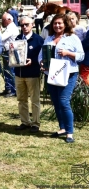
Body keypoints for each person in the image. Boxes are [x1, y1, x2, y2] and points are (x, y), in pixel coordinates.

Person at [38, 14, 84, 143]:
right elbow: (41, 55)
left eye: (60, 23)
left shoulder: (73, 38)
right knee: (57, 102)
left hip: (68, 73)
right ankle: (62, 128)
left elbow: (81, 56)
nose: (57, 26)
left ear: (65, 24)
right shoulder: (49, 38)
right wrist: (41, 62)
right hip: (52, 74)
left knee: (64, 101)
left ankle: (70, 132)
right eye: (55, 23)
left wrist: (68, 53)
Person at [14, 16, 44, 133]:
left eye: (27, 24)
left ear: (33, 25)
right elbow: (13, 54)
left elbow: (42, 58)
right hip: (19, 74)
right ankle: (24, 122)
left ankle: (35, 123)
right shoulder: (17, 38)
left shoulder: (38, 39)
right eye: (22, 25)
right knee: (21, 99)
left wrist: (34, 61)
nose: (24, 27)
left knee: (35, 100)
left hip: (32, 74)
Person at [0, 13, 19, 97]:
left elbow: (1, 38)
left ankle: (13, 90)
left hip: (10, 51)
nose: (2, 22)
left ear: (9, 20)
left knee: (10, 71)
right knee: (6, 71)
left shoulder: (12, 28)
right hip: (7, 51)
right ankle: (8, 88)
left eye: (3, 20)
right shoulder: (9, 28)